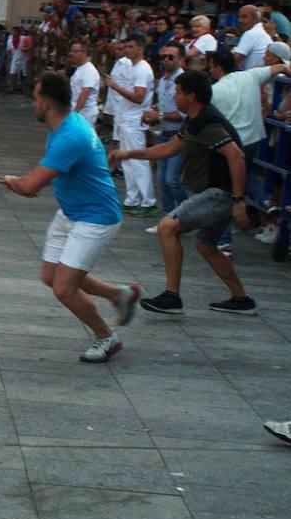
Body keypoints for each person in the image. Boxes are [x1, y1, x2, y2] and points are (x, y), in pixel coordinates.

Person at [4, 72, 140, 363]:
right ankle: (119, 295)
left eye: (35, 98)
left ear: (47, 103)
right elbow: (58, 172)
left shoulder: (70, 135)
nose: (33, 103)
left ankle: (106, 336)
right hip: (72, 212)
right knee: (51, 276)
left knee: (64, 287)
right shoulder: (64, 124)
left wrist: (15, 181)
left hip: (96, 217)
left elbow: (29, 186)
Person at [112, 70, 259, 317]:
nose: (175, 96)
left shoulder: (206, 122)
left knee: (168, 227)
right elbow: (169, 149)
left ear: (191, 96)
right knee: (205, 244)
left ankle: (172, 296)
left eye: (178, 92)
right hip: (218, 192)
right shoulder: (194, 120)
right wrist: (128, 154)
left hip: (220, 193)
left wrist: (238, 200)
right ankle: (242, 299)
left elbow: (237, 155)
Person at [208, 47, 290, 248]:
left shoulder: (215, 91)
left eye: (210, 67)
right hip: (253, 139)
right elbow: (278, 67)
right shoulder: (251, 75)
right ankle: (265, 200)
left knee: (226, 190)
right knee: (246, 174)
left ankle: (224, 240)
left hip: (230, 144)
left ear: (217, 68)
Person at [106, 35, 156, 216]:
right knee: (128, 162)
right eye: (125, 46)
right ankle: (132, 199)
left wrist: (115, 86)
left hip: (135, 120)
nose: (127, 50)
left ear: (140, 48)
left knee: (138, 162)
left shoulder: (142, 69)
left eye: (130, 46)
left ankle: (148, 201)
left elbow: (139, 96)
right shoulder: (133, 67)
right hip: (128, 119)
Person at [144, 45, 186, 230]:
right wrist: (153, 111)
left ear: (181, 59)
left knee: (172, 180)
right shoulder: (163, 79)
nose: (166, 60)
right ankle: (168, 219)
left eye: (171, 57)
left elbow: (184, 113)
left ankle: (187, 214)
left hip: (178, 135)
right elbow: (162, 104)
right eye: (163, 57)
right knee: (162, 180)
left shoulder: (183, 81)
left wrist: (159, 116)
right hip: (163, 134)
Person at [69, 41, 101, 128]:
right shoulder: (80, 69)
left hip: (85, 114)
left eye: (76, 52)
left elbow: (85, 92)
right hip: (79, 112)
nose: (72, 54)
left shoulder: (88, 70)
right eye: (71, 51)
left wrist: (75, 112)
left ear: (84, 53)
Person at [233, 3, 273, 70]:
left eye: (244, 17)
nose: (240, 20)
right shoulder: (260, 31)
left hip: (251, 77)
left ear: (256, 19)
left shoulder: (252, 33)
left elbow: (235, 60)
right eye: (239, 17)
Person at [7, 25, 32, 94]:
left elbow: (29, 45)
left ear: (19, 32)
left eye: (16, 31)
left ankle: (25, 88)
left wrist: (27, 51)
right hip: (15, 58)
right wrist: (10, 59)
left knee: (25, 75)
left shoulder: (24, 38)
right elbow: (9, 50)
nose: (14, 33)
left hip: (24, 58)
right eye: (13, 31)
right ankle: (12, 88)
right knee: (13, 73)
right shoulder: (9, 41)